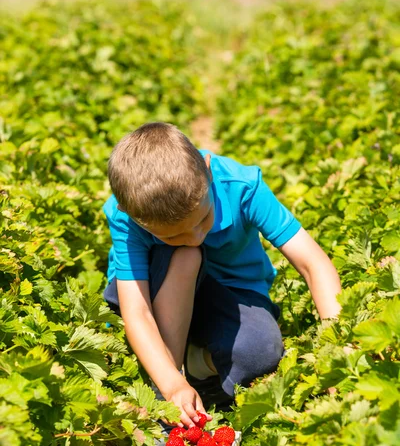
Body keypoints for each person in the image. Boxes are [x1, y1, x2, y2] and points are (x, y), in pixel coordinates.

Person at [102, 122, 342, 429]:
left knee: (260, 352)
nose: (195, 237)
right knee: (187, 257)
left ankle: (197, 366)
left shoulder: (241, 187)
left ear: (208, 169)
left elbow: (313, 264)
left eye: (204, 219)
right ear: (132, 214)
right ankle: (164, 397)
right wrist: (171, 384)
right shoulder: (127, 216)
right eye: (173, 235)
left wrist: (339, 347)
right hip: (155, 290)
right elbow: (138, 312)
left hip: (228, 293)